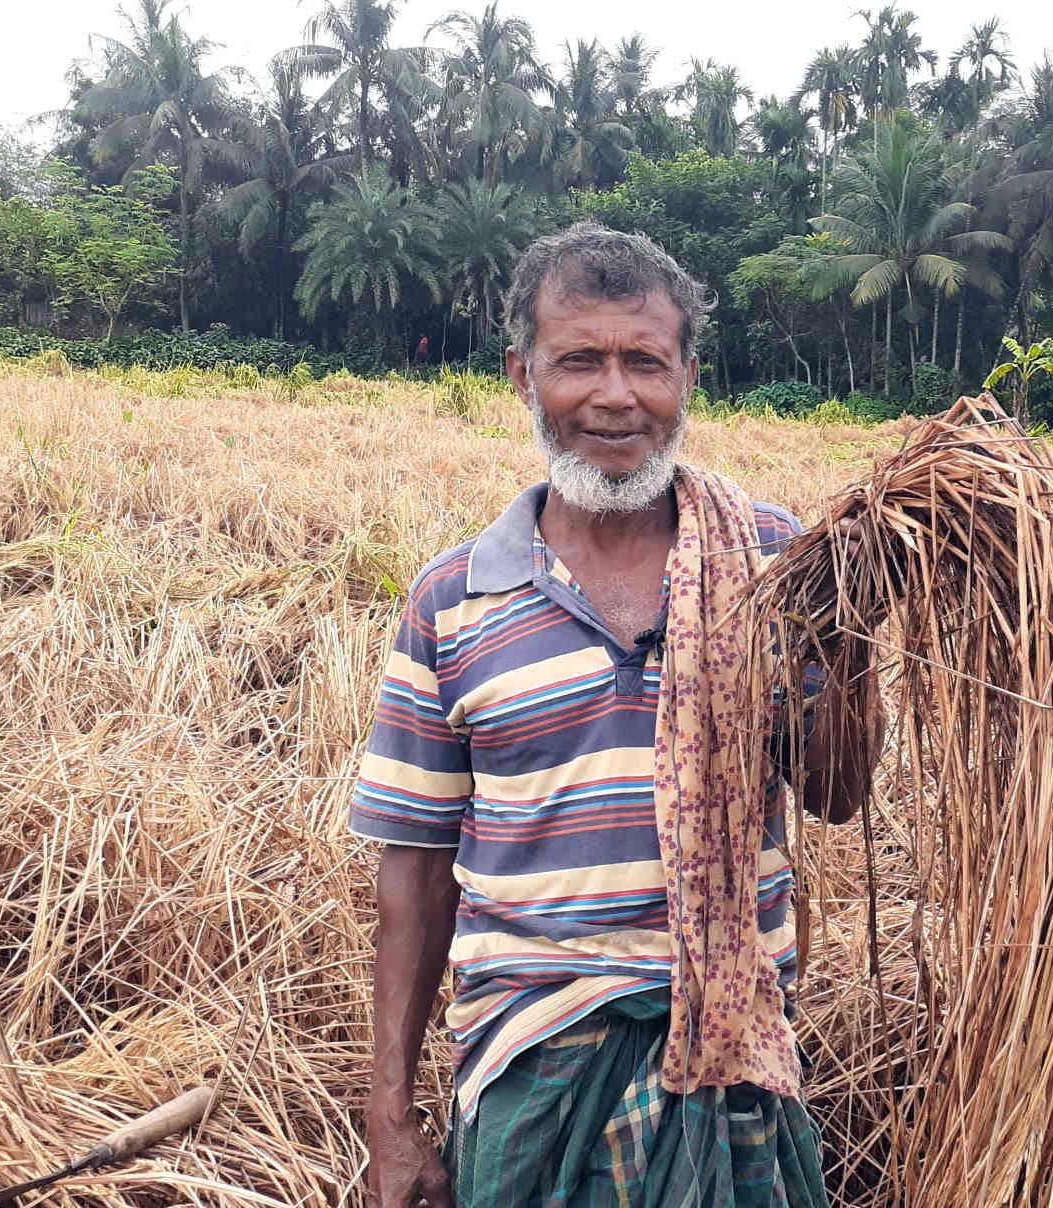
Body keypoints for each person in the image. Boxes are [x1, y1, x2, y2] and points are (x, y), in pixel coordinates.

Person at [350, 222, 872, 1208]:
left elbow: (838, 793)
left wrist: (847, 638)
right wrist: (389, 1120)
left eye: (645, 361)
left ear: (687, 376)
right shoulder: (451, 597)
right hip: (530, 1063)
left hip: (730, 1059)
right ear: (520, 374)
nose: (614, 395)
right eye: (577, 360)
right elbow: (412, 873)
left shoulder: (773, 562)